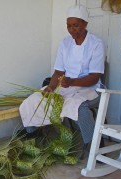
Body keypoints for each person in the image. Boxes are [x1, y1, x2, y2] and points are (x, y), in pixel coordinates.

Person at [19, 4, 105, 159]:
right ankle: (33, 136)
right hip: (66, 85)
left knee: (79, 107)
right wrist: (51, 87)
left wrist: (72, 82)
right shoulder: (65, 43)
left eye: (76, 25)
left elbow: (95, 76)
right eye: (69, 25)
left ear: (85, 24)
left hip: (90, 88)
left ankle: (93, 146)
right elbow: (59, 72)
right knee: (33, 101)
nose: (72, 29)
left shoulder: (96, 44)